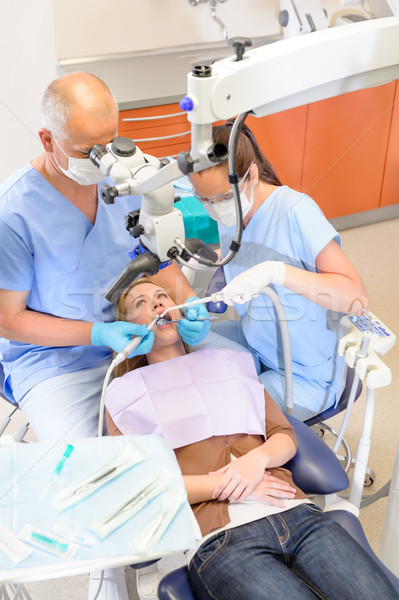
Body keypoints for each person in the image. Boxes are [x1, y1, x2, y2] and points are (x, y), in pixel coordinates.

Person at [0, 72, 210, 600]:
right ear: (48, 140)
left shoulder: (128, 178)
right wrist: (95, 331)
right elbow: (8, 319)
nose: (106, 160)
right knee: (102, 475)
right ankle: (110, 575)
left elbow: (165, 259)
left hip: (144, 336)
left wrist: (186, 305)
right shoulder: (13, 213)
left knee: (211, 417)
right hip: (55, 361)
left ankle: (216, 548)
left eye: (112, 140)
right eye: (88, 149)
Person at [105, 278, 398, 600]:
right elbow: (144, 486)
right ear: (125, 329)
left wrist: (255, 462)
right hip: (222, 540)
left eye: (161, 296)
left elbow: (283, 434)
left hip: (298, 514)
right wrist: (230, 483)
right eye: (140, 304)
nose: (158, 304)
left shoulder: (227, 364)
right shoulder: (124, 396)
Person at [189, 121, 368, 421]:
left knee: (220, 414)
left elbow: (356, 298)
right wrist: (207, 258)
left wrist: (278, 272)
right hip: (257, 340)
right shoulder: (234, 209)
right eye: (203, 199)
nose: (213, 207)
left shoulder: (296, 210)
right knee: (186, 343)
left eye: (220, 198)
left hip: (305, 373)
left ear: (251, 176)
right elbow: (250, 249)